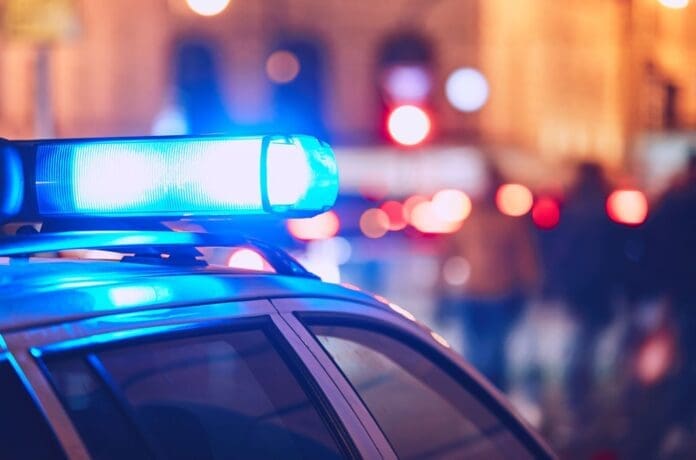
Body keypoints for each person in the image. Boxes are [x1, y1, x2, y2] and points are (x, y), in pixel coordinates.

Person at [437, 166, 538, 391]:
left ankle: (489, 397)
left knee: (491, 354)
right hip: (477, 294)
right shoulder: (474, 222)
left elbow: (525, 262)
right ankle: (484, 396)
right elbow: (446, 256)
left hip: (497, 295)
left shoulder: (504, 223)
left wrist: (528, 289)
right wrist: (440, 291)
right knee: (481, 354)